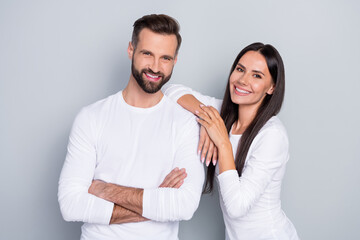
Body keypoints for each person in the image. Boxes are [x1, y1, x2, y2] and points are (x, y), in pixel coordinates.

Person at [58, 14, 204, 240]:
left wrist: (106, 190)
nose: (155, 67)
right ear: (130, 50)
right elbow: (70, 205)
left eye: (165, 58)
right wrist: (156, 203)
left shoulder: (184, 122)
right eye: (147, 54)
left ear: (175, 61)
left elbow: (184, 205)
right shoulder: (91, 118)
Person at [163, 42, 300, 239]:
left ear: (271, 87)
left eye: (256, 75)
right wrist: (207, 118)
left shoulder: (272, 135)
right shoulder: (223, 114)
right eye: (240, 69)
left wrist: (222, 141)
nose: (243, 80)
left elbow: (237, 206)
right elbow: (170, 91)